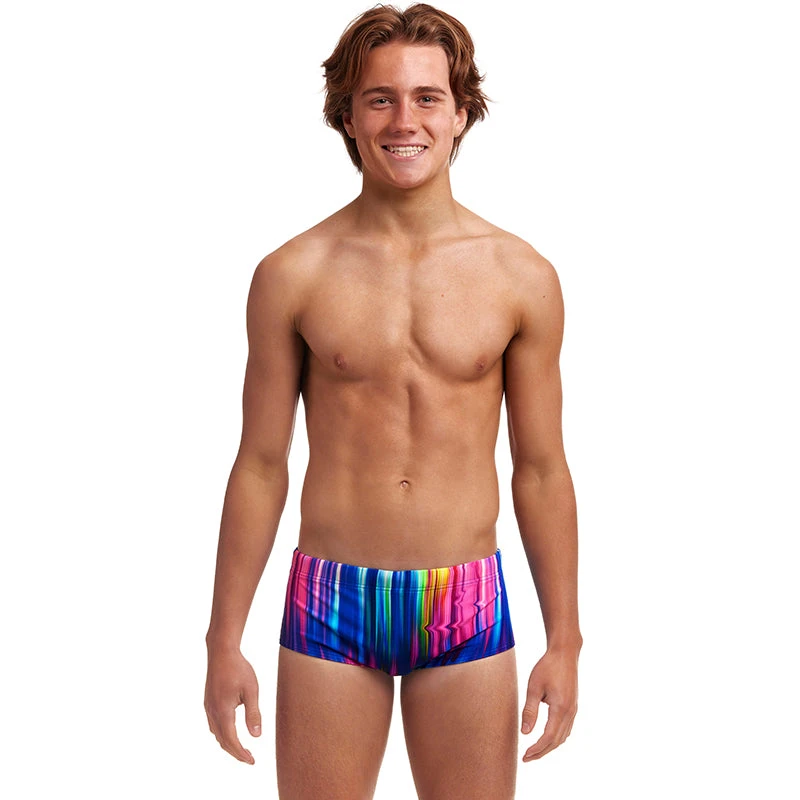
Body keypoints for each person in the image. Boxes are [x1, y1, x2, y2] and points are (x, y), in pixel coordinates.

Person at [204, 4, 581, 798]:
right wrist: (223, 640)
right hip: (332, 598)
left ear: (461, 111)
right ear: (347, 114)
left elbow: (542, 469)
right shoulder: (293, 273)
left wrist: (566, 640)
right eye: (380, 99)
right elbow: (261, 464)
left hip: (464, 598)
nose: (404, 121)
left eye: (427, 97)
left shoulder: (521, 277)